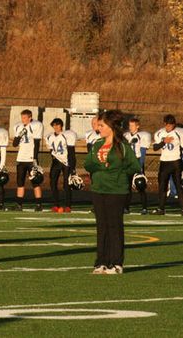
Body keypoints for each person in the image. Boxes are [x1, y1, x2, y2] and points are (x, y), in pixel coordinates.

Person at [84, 110, 141, 274]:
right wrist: (101, 167)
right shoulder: (96, 144)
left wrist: (117, 171)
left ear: (111, 127)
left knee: (114, 226)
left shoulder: (122, 146)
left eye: (102, 125)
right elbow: (88, 164)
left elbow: (135, 166)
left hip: (116, 190)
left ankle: (116, 263)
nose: (99, 128)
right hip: (98, 189)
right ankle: (100, 262)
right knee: (101, 226)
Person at [12, 109, 44, 211]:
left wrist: (35, 158)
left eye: (25, 118)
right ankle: (19, 204)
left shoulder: (36, 125)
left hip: (31, 159)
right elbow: (14, 144)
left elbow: (37, 143)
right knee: (20, 182)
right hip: (21, 158)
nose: (23, 120)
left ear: (30, 118)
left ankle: (39, 205)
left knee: (35, 182)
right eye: (22, 117)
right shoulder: (18, 126)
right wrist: (20, 134)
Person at [152, 114, 183, 215]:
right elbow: (155, 148)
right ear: (165, 124)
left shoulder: (179, 132)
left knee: (178, 185)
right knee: (162, 186)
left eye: (172, 125)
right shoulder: (159, 133)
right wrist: (163, 142)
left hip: (176, 161)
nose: (170, 127)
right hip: (164, 162)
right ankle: (161, 208)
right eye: (168, 125)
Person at [45, 118, 77, 213]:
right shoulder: (49, 137)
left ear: (61, 126)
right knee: (52, 183)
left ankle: (68, 205)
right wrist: (55, 158)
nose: (56, 127)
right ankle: (56, 204)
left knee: (67, 184)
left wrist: (72, 167)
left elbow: (71, 152)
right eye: (54, 125)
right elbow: (51, 150)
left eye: (57, 125)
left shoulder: (67, 135)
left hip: (66, 162)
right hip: (56, 161)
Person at [124, 118, 151, 214]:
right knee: (126, 186)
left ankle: (144, 208)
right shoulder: (126, 136)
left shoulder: (142, 135)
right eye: (129, 125)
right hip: (128, 163)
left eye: (132, 125)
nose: (130, 127)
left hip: (137, 160)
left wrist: (140, 166)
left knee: (141, 184)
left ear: (137, 126)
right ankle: (126, 207)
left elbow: (143, 152)